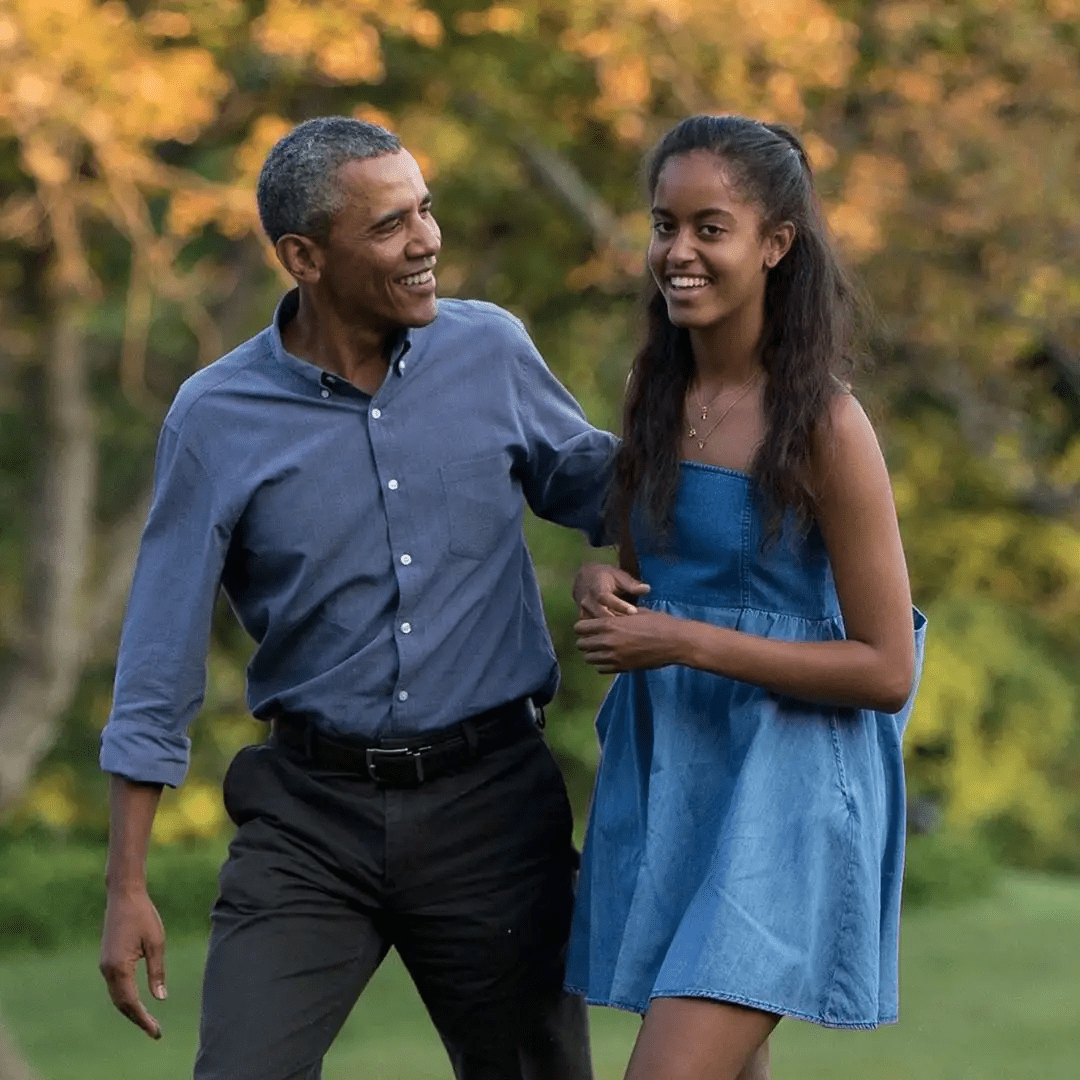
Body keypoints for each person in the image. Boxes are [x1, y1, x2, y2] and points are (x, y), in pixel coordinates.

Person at [97, 116, 616, 1080]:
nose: (426, 241)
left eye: (425, 211)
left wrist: (736, 403)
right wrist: (126, 881)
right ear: (304, 256)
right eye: (389, 226)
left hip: (493, 812)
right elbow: (157, 655)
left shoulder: (491, 352)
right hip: (309, 819)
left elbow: (613, 495)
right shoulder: (216, 417)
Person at [565, 115, 927, 1080]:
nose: (677, 252)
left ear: (776, 244)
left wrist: (682, 643)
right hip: (677, 767)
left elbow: (887, 669)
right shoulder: (653, 384)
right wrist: (605, 585)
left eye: (709, 228)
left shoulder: (826, 424)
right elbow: (651, 567)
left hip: (791, 787)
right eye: (663, 225)